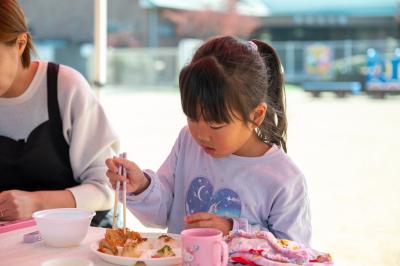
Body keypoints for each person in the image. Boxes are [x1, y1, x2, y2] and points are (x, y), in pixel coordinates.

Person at [106, 36, 311, 244]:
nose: (201, 134)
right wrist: (141, 186)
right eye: (192, 118)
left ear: (256, 116)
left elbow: (296, 253)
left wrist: (233, 231)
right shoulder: (188, 141)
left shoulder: (284, 179)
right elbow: (164, 211)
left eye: (216, 125)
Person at [0, 0, 119, 227]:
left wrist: (36, 202)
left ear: (20, 44)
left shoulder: (64, 86)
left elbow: (107, 190)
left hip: (75, 242)